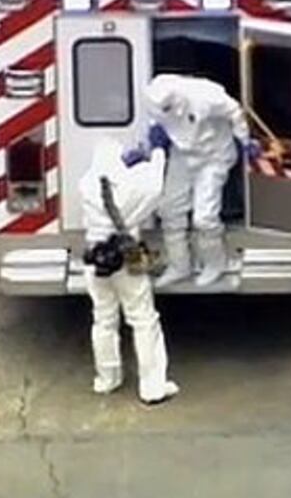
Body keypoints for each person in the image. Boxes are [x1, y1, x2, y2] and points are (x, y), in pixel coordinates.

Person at [80, 139, 178, 405]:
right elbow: (155, 185)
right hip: (127, 255)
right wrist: (155, 153)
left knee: (103, 320)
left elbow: (109, 183)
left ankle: (107, 379)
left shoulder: (87, 184)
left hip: (96, 258)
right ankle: (152, 386)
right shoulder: (133, 188)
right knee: (144, 319)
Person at [139, 74, 260, 288]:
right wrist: (148, 148)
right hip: (183, 155)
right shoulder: (154, 99)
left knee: (204, 217)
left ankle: (216, 262)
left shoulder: (205, 95)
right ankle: (180, 265)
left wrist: (244, 139)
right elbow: (158, 125)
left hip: (213, 156)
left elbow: (234, 111)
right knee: (169, 209)